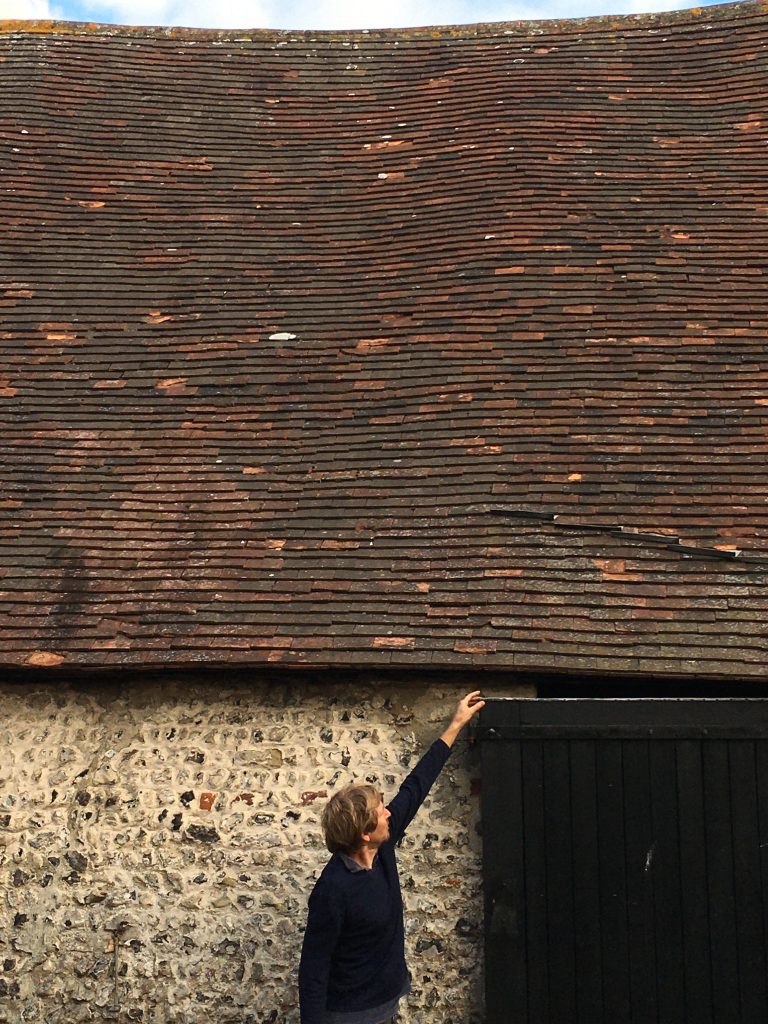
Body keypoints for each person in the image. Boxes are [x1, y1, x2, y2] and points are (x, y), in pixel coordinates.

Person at [298, 691, 485, 1024]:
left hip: (387, 1004)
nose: (388, 812)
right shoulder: (333, 890)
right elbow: (313, 968)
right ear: (365, 833)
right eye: (380, 810)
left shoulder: (381, 850)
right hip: (349, 1016)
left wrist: (454, 725)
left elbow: (416, 787)